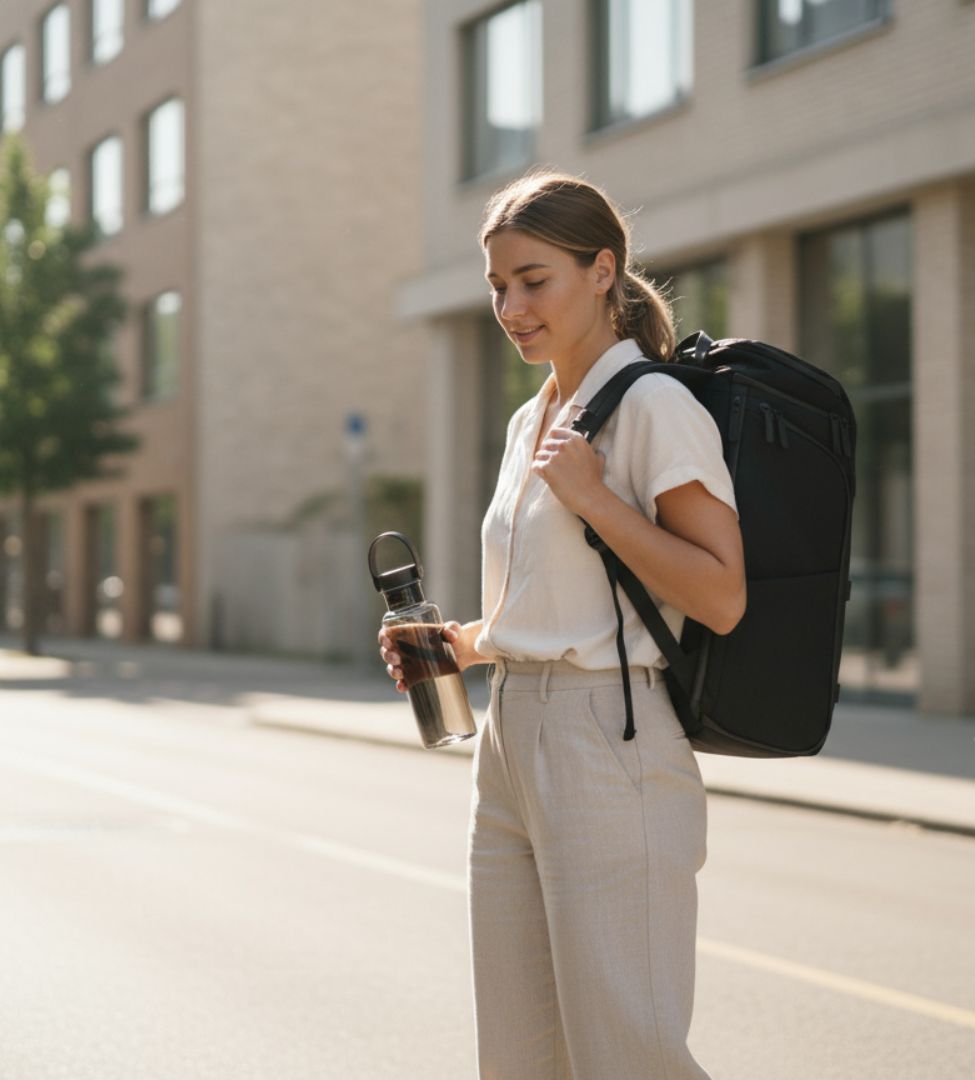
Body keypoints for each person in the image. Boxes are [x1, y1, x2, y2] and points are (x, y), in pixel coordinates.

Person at [380, 170, 746, 1080]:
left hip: (608, 739)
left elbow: (722, 594)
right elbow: (556, 598)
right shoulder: (531, 417)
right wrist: (461, 642)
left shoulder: (656, 407)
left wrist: (596, 499)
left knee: (629, 1056)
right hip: (508, 738)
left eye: (532, 280)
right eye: (497, 285)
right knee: (518, 1057)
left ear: (601, 271)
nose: (510, 305)